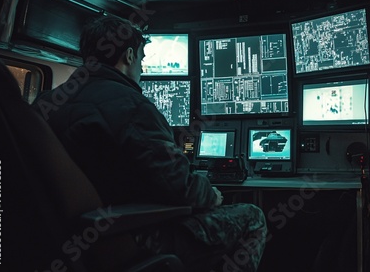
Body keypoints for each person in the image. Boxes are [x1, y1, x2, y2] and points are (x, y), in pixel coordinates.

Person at [32, 15, 267, 272]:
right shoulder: (131, 106)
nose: (142, 69)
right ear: (129, 56)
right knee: (253, 217)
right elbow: (181, 186)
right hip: (135, 235)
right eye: (142, 59)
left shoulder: (47, 102)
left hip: (71, 239)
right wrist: (212, 194)